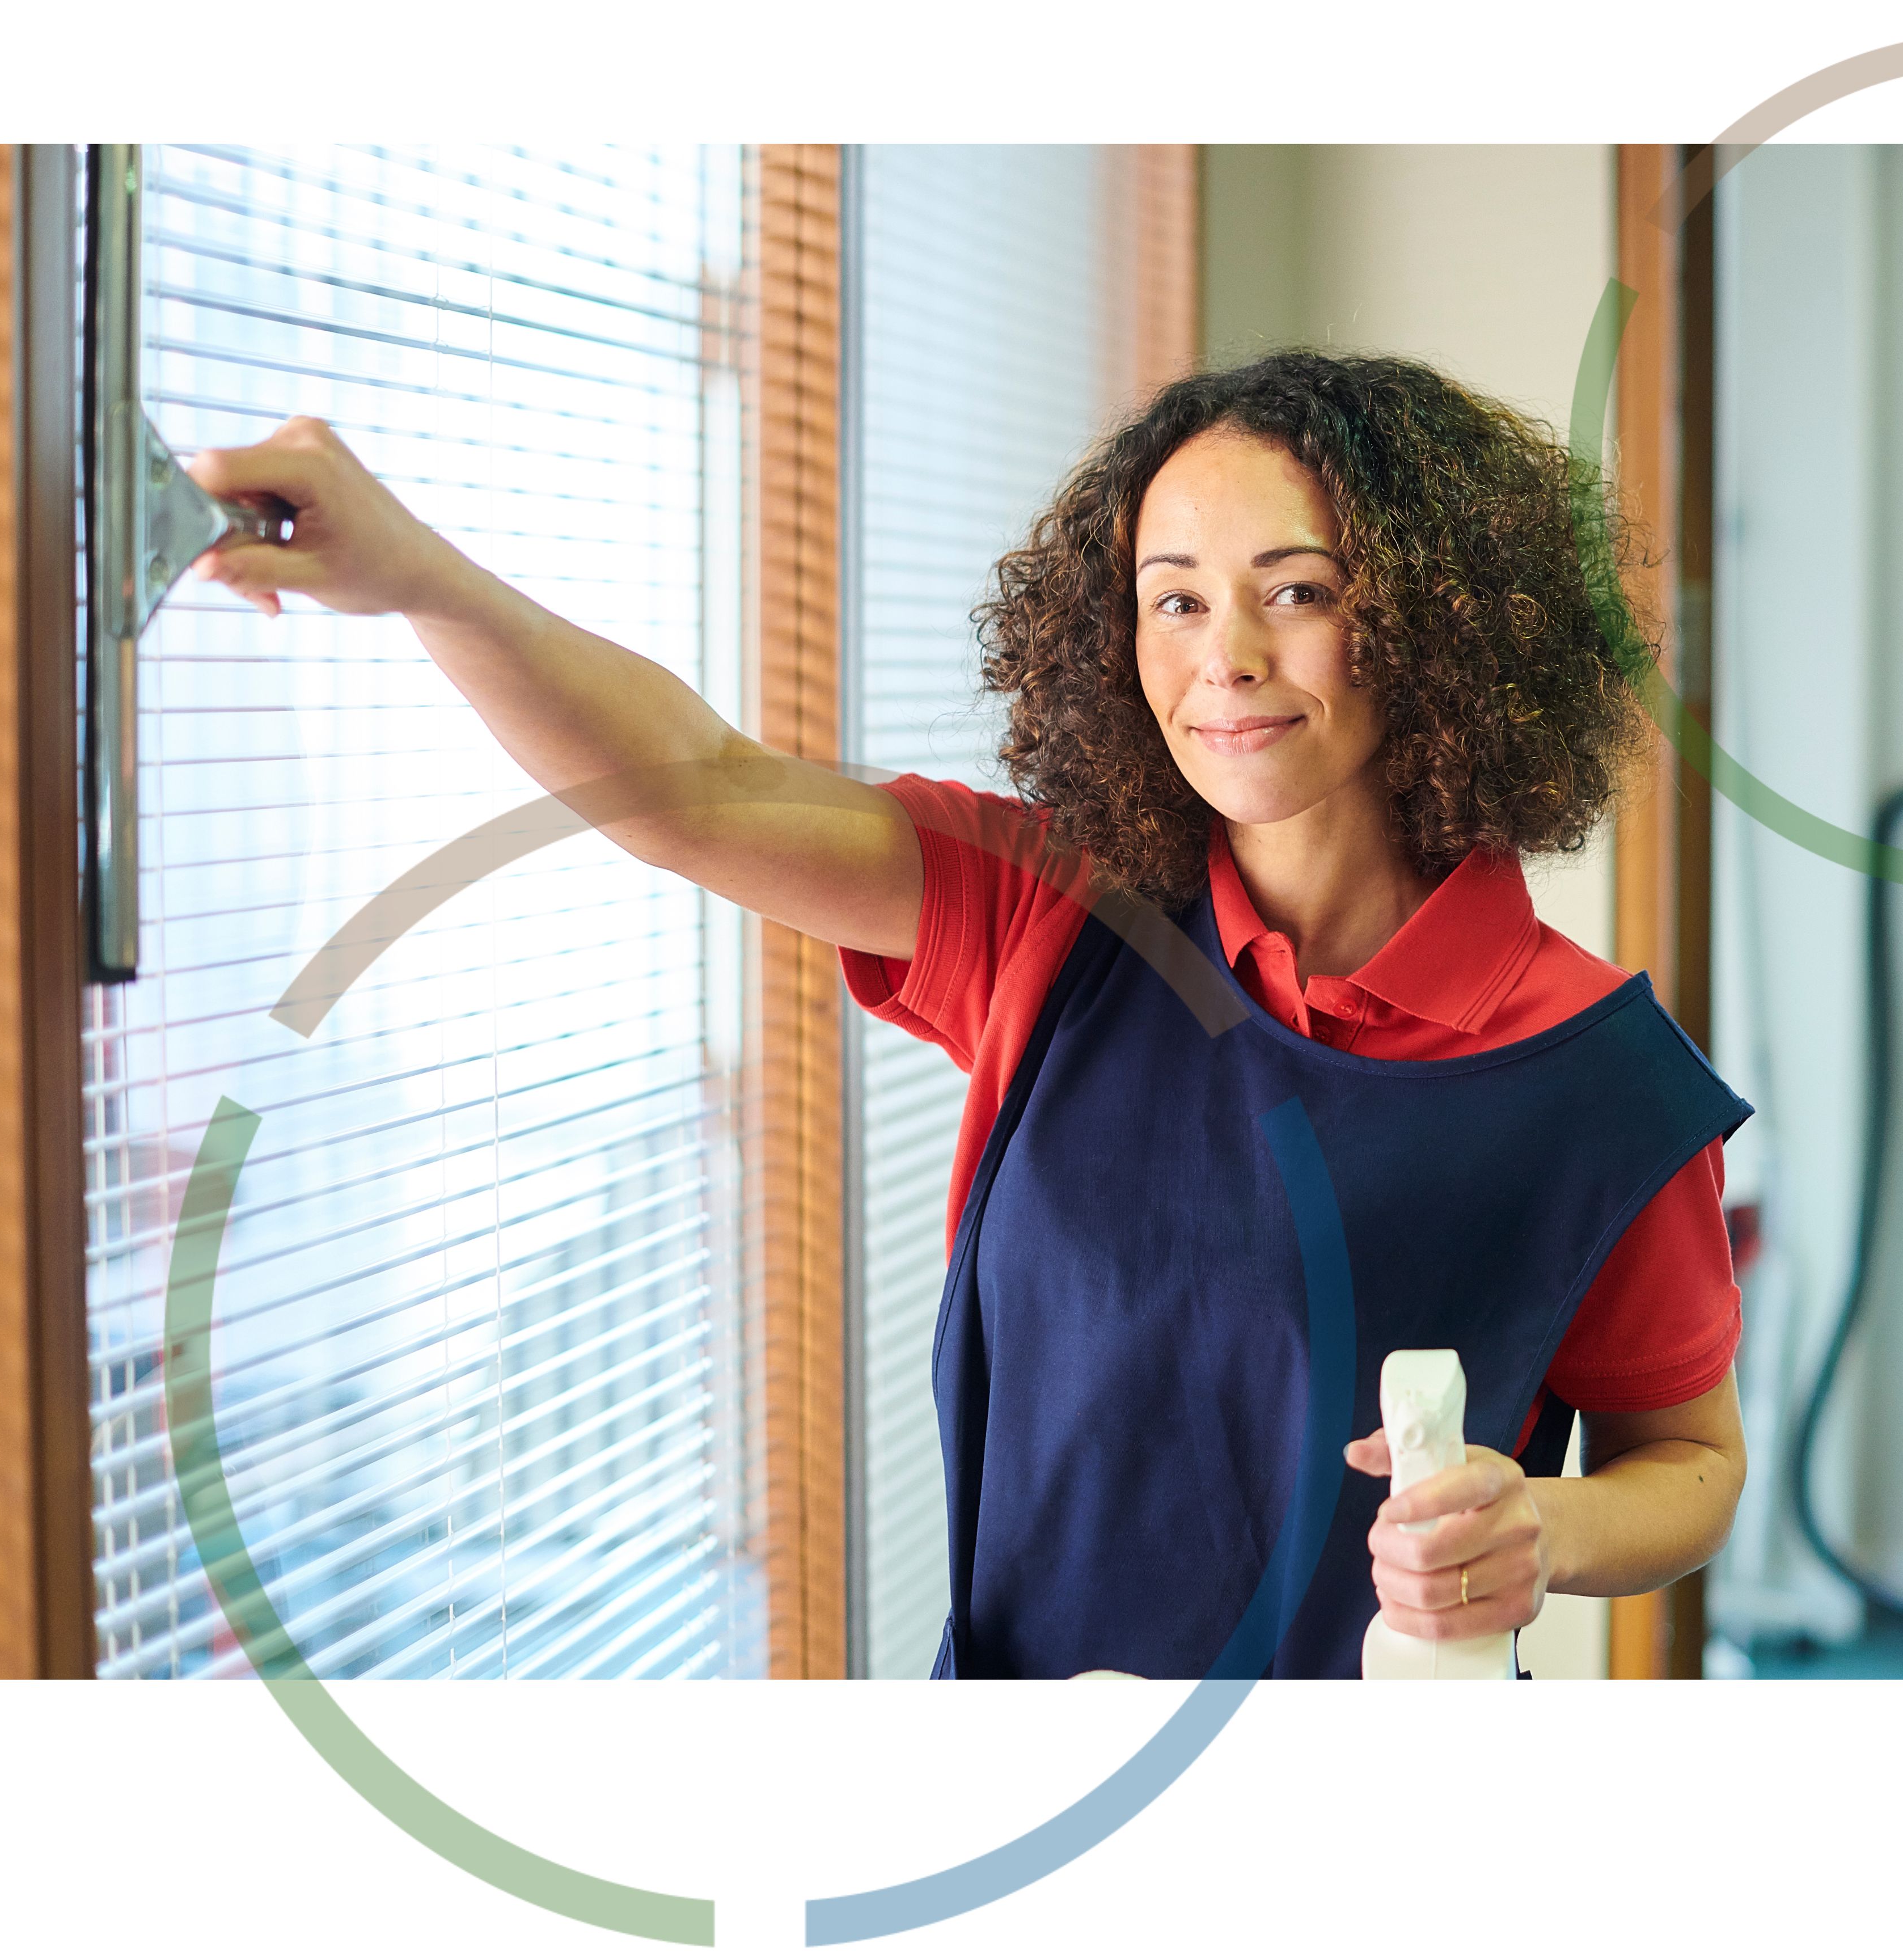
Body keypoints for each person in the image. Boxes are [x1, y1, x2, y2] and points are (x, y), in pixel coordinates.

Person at [183, 351, 1753, 1679]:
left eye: (1300, 591)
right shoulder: (1055, 917)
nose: (1228, 661)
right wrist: (417, 581)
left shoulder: (1596, 1075)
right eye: (1174, 602)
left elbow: (1690, 1466)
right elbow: (696, 792)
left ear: (1444, 625)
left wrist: (1542, 1534)